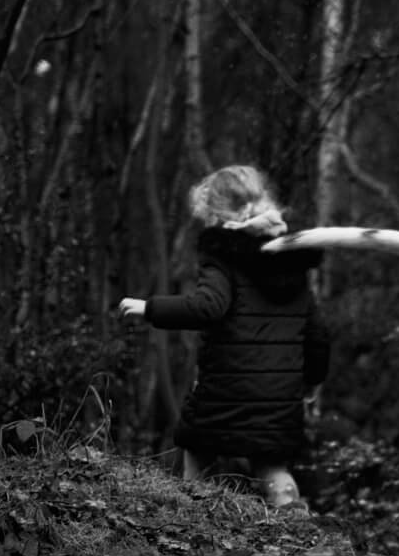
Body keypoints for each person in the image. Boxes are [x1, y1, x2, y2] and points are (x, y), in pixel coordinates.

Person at [119, 165, 328, 508]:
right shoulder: (294, 260)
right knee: (273, 467)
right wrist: (312, 380)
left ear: (216, 214)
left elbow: (208, 307)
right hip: (280, 396)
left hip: (226, 392)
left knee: (198, 454)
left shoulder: (222, 255)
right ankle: (296, 535)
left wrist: (150, 308)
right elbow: (318, 332)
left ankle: (191, 526)